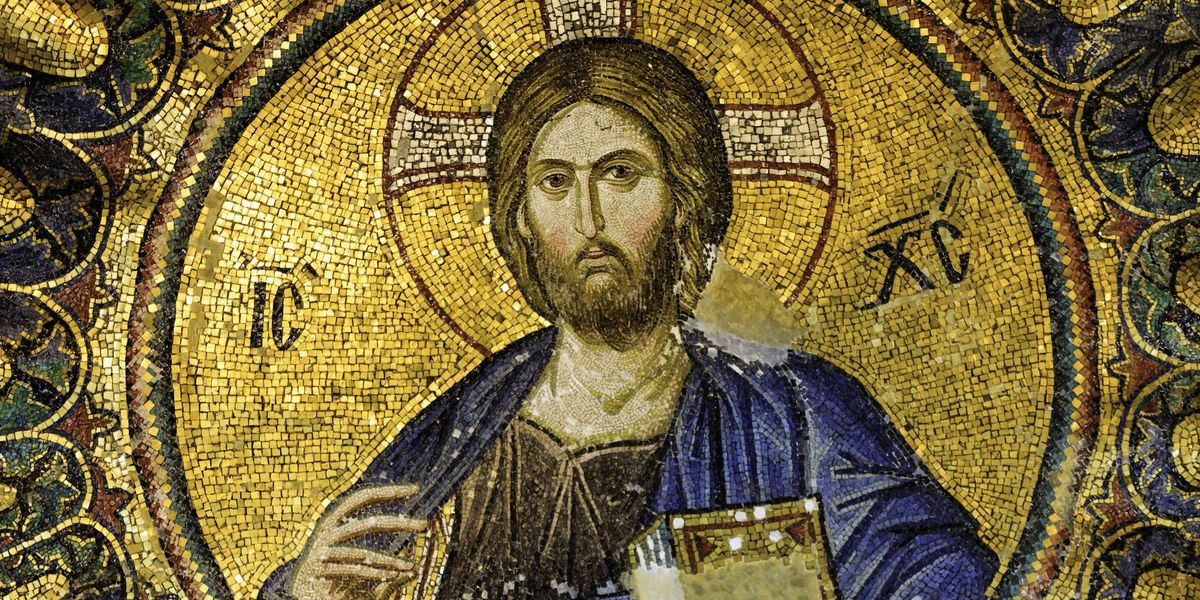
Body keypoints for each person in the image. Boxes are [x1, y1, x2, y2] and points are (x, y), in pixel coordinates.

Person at [263, 37, 998, 599]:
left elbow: (937, 571)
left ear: (683, 199)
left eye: (620, 174)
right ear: (519, 218)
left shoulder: (793, 411)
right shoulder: (465, 429)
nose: (588, 218)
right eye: (555, 182)